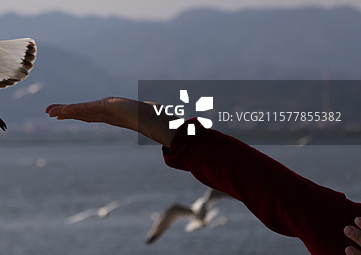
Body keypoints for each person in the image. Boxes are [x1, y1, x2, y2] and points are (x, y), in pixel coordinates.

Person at [46, 97, 361, 255]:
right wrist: (143, 119)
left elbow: (262, 182)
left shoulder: (346, 234)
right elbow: (259, 179)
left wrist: (164, 129)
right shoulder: (347, 230)